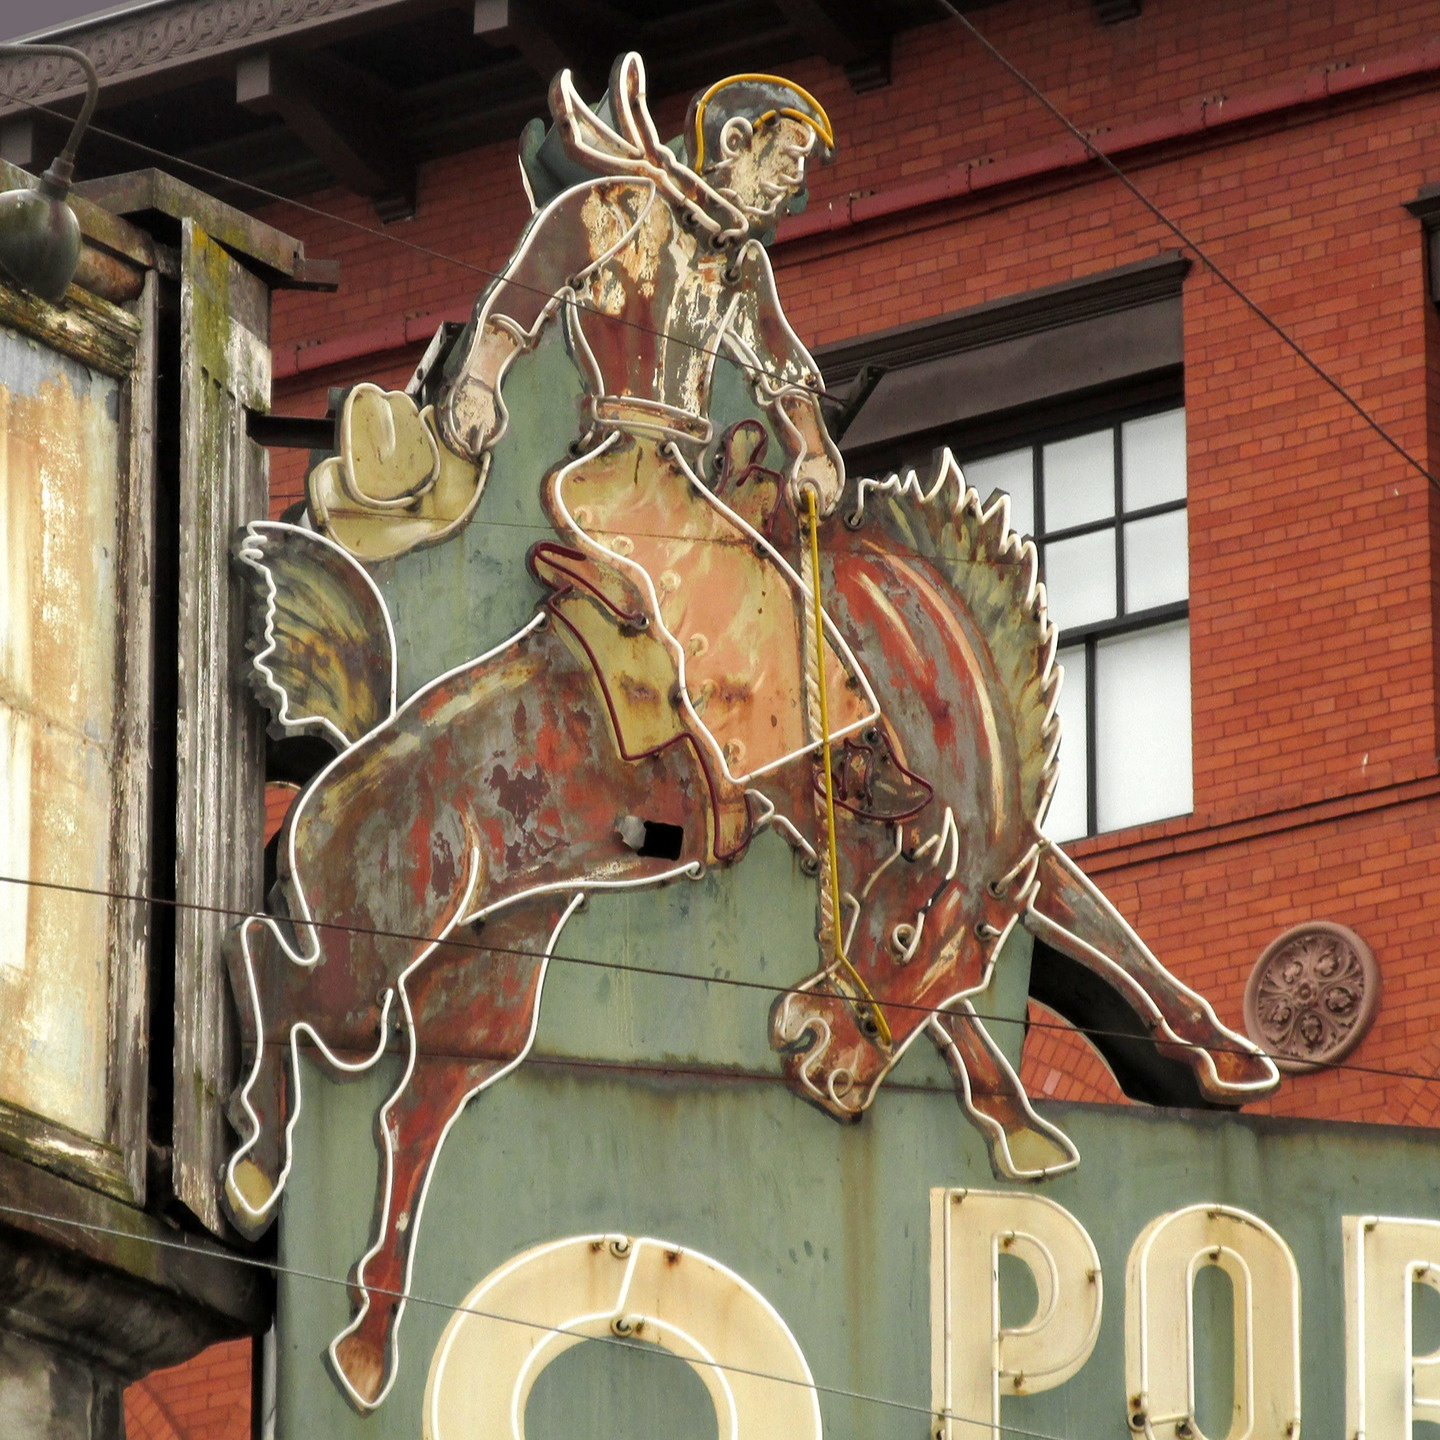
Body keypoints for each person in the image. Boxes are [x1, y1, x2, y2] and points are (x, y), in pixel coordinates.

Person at [433, 54, 894, 860]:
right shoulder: (621, 207)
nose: (791, 188)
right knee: (731, 581)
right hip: (613, 466)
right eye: (785, 163)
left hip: (678, 477)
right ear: (739, 143)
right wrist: (478, 379)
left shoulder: (739, 261)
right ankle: (804, 770)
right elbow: (527, 286)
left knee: (776, 586)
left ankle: (817, 771)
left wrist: (814, 448)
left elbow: (777, 364)